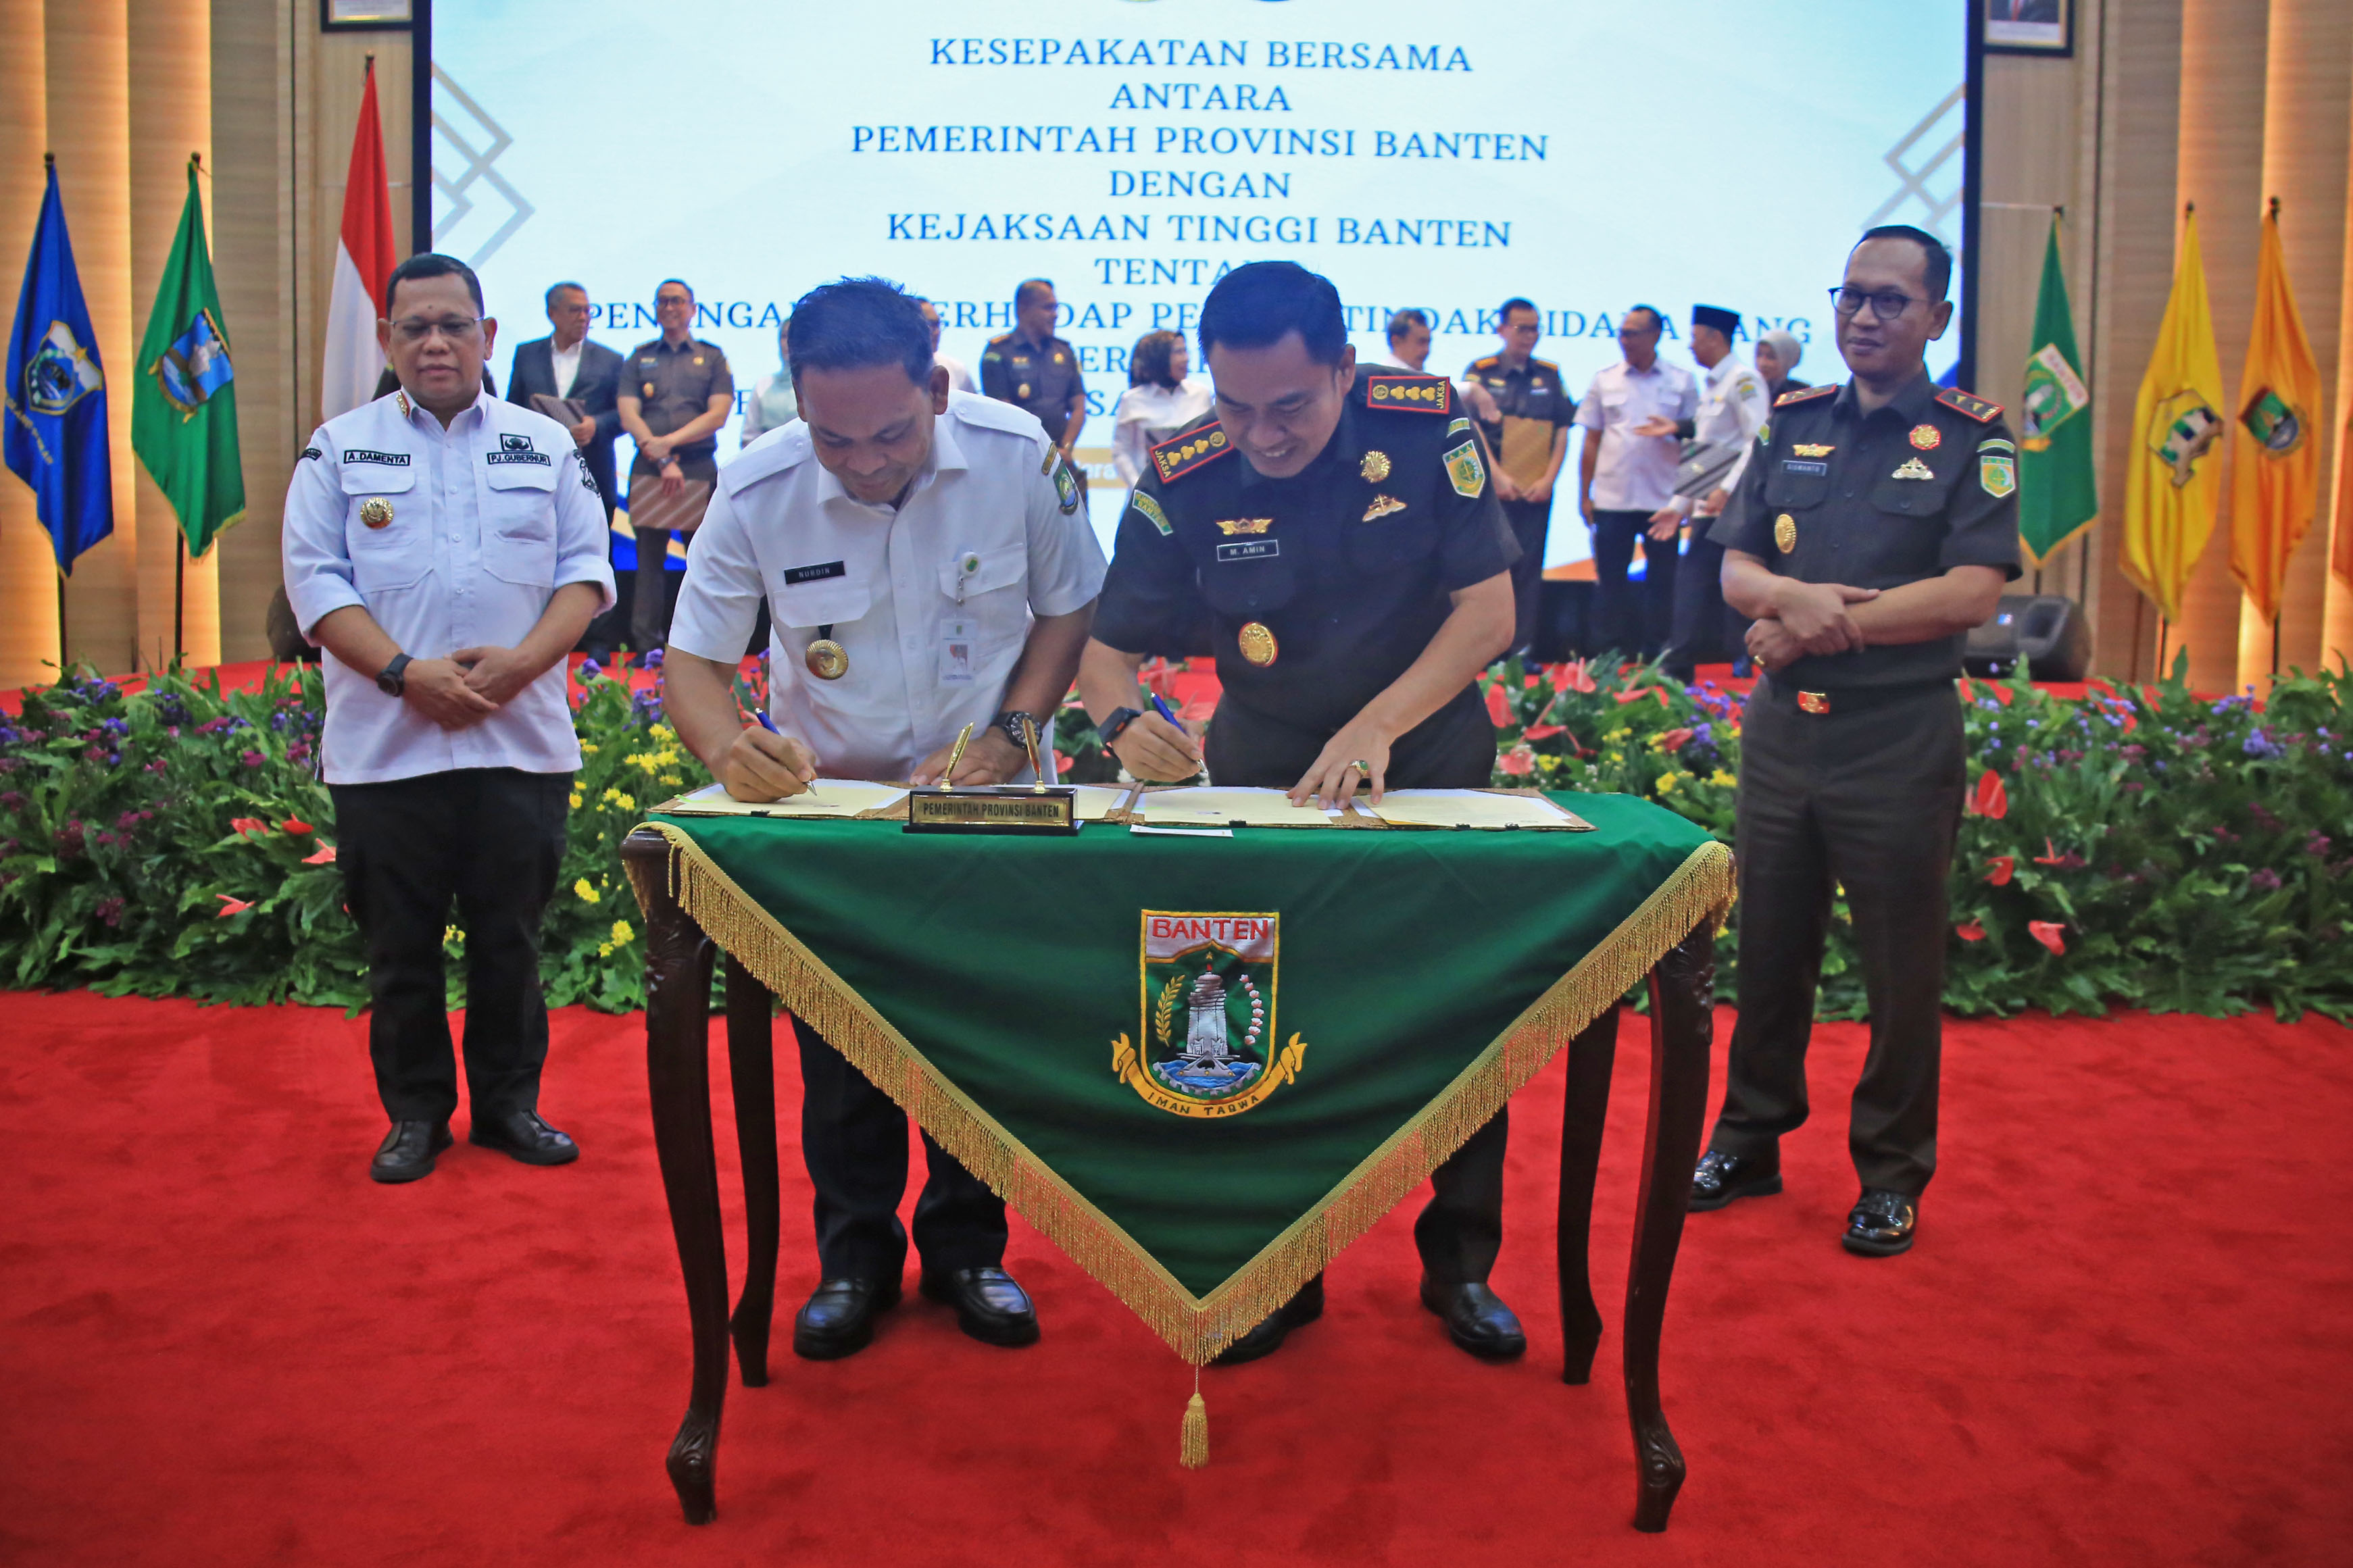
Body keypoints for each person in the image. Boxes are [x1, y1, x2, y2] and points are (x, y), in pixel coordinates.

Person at [1076, 261, 1526, 1365]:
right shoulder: (1185, 466)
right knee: (1259, 1014)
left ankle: (1459, 1267)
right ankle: (1277, 1267)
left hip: (1426, 751)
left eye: (1290, 408)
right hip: (1265, 762)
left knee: (1459, 1010)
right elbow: (1105, 649)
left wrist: (1377, 724)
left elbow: (1489, 611)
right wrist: (1122, 719)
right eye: (1234, 407)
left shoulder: (1426, 429)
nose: (1261, 436)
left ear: (1342, 368)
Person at [661, 276, 1106, 1359]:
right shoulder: (760, 486)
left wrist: (1012, 729)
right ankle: (853, 1258)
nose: (863, 461)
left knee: (977, 1041)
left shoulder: (1016, 458)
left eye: (890, 434)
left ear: (936, 385)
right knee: (841, 1052)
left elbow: (1070, 606)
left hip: (988, 805)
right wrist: (730, 748)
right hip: (841, 822)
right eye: (834, 438)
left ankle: (969, 1252)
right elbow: (691, 662)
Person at [1689, 224, 2019, 1258]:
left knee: (1897, 964)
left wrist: (1817, 626)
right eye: (1850, 298)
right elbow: (1736, 567)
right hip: (1786, 736)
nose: (1863, 317)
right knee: (1771, 946)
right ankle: (1749, 1138)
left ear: (1936, 318)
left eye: (1888, 301)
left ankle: (1889, 1171)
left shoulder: (1975, 436)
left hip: (1897, 735)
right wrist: (1785, 597)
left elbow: (1971, 589)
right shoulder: (1791, 423)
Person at [280, 252, 615, 1184]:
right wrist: (402, 672)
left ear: (488, 337)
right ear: (388, 339)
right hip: (388, 750)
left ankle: (511, 1106)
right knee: (401, 950)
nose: (435, 342)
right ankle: (416, 1115)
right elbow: (315, 585)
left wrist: (518, 666)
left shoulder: (543, 446)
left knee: (510, 939)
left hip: (520, 743)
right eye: (415, 326)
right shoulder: (336, 447)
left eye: (453, 324)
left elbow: (585, 576)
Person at [616, 279, 733, 659]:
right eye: (663, 301)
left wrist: (670, 443)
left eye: (678, 301)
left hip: (698, 467)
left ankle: (698, 646)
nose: (670, 307)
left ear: (693, 308)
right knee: (647, 559)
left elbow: (718, 414)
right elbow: (628, 411)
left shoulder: (711, 357)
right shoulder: (639, 357)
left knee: (701, 559)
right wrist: (659, 453)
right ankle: (646, 646)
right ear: (655, 307)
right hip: (650, 468)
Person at [1573, 306, 1698, 661]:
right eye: (1622, 332)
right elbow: (1592, 440)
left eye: (1633, 333)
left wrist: (1686, 500)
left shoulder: (1682, 381)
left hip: (1663, 499)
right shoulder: (1605, 379)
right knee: (1610, 581)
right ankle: (1607, 656)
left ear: (1655, 335)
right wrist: (1585, 495)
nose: (1624, 340)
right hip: (1613, 497)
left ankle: (1658, 653)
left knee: (1663, 582)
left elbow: (1697, 443)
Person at [1662, 305, 1768, 678]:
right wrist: (1678, 505)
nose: (1690, 346)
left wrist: (1727, 489)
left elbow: (1759, 439)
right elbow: (1707, 451)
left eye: (1694, 337)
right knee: (1697, 580)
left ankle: (1694, 661)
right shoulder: (1713, 385)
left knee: (1710, 581)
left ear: (1714, 337)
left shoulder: (1744, 381)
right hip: (1708, 503)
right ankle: (1685, 661)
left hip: (1732, 504)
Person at [1464, 299, 1573, 655]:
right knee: (1491, 572)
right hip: (1494, 490)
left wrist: (1550, 480)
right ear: (1502, 329)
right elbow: (1470, 428)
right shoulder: (1481, 372)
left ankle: (1522, 651)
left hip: (1536, 490)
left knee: (1529, 570)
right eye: (1521, 328)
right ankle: (1487, 651)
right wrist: (1495, 476)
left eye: (1535, 328)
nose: (1529, 336)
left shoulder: (1550, 374)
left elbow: (1562, 431)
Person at [979, 278, 1085, 464]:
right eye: (1047, 308)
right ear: (1023, 309)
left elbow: (1078, 406)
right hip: (1017, 461)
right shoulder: (998, 353)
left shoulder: (1064, 351)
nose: (1055, 315)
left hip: (1061, 461)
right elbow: (1003, 414)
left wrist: (1066, 448)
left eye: (1055, 308)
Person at [1108, 329, 1212, 487]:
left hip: (1198, 494)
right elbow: (1122, 453)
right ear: (1160, 358)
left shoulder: (1201, 394)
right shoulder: (1132, 400)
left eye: (1185, 351)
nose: (1186, 358)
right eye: (1178, 352)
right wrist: (1140, 487)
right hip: (1148, 498)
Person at [739, 316, 797, 447]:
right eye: (784, 336)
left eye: (794, 336)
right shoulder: (763, 385)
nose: (788, 342)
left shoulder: (817, 386)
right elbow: (749, 438)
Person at [915, 297, 977, 394]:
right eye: (929, 324)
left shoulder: (956, 369)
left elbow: (971, 408)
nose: (936, 332)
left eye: (938, 324)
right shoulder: (891, 371)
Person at [1370, 307, 1432, 372]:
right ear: (1396, 342)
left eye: (1428, 343)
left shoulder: (1430, 380)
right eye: (1421, 342)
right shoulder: (1380, 379)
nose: (1427, 350)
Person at [1754, 326, 1809, 400]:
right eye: (1759, 355)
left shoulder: (1802, 394)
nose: (1763, 363)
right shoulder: (1745, 391)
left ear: (1787, 360)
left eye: (1771, 357)